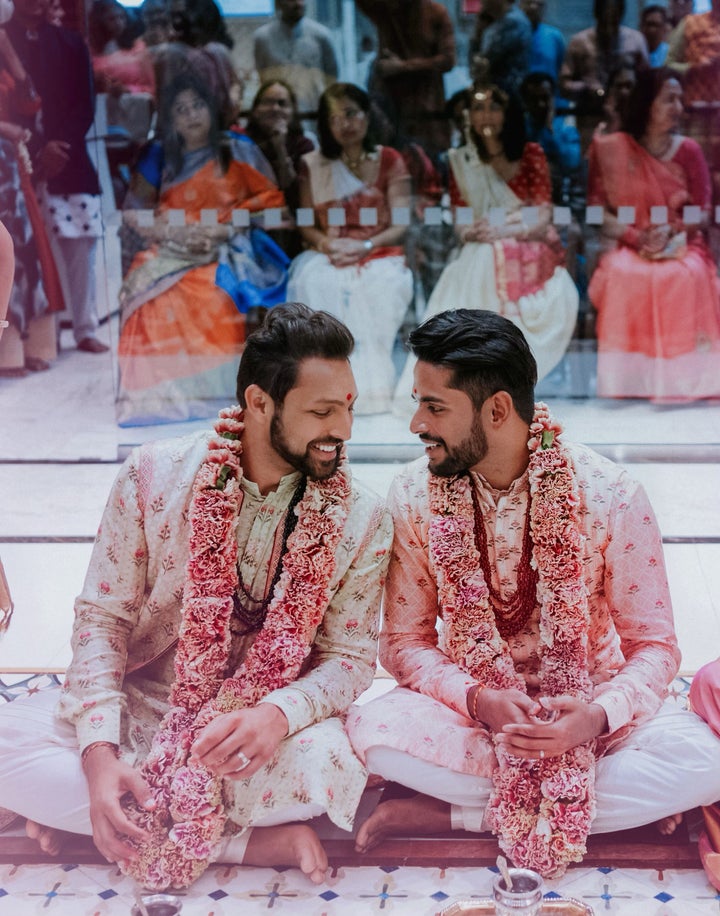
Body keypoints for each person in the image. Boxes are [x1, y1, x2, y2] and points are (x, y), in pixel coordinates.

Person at [0, 302, 393, 890]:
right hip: (145, 706)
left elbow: (350, 659)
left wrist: (276, 714)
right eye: (322, 410)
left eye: (349, 407)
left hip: (259, 735)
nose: (344, 429)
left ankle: (101, 823)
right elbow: (102, 622)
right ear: (259, 403)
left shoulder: (362, 516)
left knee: (334, 764)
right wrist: (100, 758)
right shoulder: (153, 475)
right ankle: (244, 843)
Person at [347, 307, 720, 878]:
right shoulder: (412, 495)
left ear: (496, 409)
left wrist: (595, 717)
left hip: (592, 703)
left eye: (435, 406)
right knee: (373, 735)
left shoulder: (610, 494)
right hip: (471, 714)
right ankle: (594, 807)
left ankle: (453, 814)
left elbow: (656, 648)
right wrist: (479, 700)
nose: (417, 423)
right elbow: (403, 643)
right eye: (418, 402)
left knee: (708, 760)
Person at [394, 81, 578, 409]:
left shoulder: (530, 153)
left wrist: (505, 229)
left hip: (529, 244)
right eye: (478, 107)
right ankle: (463, 377)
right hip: (481, 244)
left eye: (494, 107)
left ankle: (505, 369)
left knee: (486, 256)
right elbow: (462, 221)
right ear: (468, 116)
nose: (485, 115)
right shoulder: (460, 161)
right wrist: (476, 232)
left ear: (509, 114)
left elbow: (542, 214)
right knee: (479, 256)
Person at [117, 75, 288, 426]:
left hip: (229, 245)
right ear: (169, 119)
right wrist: (175, 233)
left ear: (213, 110)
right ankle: (159, 400)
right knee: (146, 296)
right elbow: (134, 211)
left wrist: (225, 225)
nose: (191, 115)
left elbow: (276, 209)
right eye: (181, 110)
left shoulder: (236, 148)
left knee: (211, 293)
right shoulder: (158, 152)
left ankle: (214, 395)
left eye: (198, 106)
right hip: (170, 247)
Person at [587, 68, 720, 401]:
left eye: (680, 99)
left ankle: (684, 385)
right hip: (631, 245)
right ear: (647, 103)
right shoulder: (614, 148)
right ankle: (626, 385)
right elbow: (595, 211)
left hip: (683, 245)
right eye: (669, 99)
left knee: (683, 276)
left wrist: (669, 232)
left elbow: (703, 210)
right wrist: (636, 236)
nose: (678, 107)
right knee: (622, 272)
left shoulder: (688, 150)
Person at [287, 83, 413, 415]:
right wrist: (328, 244)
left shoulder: (389, 160)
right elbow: (304, 222)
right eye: (334, 118)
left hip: (379, 251)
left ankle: (373, 391)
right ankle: (325, 391)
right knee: (317, 282)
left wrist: (365, 245)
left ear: (367, 115)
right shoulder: (312, 164)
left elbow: (401, 223)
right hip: (329, 251)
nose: (345, 124)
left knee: (380, 287)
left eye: (352, 113)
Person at [6, 0, 108, 355]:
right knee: (26, 251)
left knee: (80, 244)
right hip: (15, 158)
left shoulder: (70, 42)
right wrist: (33, 152)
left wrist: (58, 147)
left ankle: (85, 327)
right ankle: (35, 339)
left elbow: (85, 103)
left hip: (68, 159)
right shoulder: (5, 39)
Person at [0, 27, 64, 377]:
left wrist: (8, 50)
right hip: (5, 156)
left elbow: (31, 102)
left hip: (10, 164)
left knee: (26, 250)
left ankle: (20, 350)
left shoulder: (6, 54)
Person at [355, 0, 456, 161]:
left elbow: (448, 60)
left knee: (428, 170)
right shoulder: (386, 8)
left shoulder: (435, 12)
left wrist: (402, 67)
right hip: (392, 110)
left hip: (426, 114)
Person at [559, 0, 649, 150]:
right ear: (596, 15)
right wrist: (586, 88)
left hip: (627, 120)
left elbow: (646, 83)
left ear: (621, 16)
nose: (608, 27)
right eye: (604, 20)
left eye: (614, 20)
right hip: (590, 118)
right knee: (592, 163)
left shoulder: (635, 41)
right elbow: (563, 84)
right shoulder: (580, 43)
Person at [253, 0, 339, 119]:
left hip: (313, 113)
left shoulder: (321, 36)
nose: (299, 4)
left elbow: (331, 78)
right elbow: (262, 77)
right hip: (277, 114)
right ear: (278, 3)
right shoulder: (262, 38)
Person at [242, 80, 315, 213]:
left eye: (282, 103)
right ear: (255, 110)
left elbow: (299, 196)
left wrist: (280, 147)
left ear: (292, 111)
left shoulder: (305, 145)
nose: (275, 108)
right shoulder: (242, 144)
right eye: (268, 102)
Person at [468, 0, 533, 96]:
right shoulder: (498, 22)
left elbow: (482, 63)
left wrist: (477, 37)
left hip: (506, 94)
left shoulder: (512, 22)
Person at [520, 0, 565, 83]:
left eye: (539, 4)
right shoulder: (512, 33)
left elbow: (560, 69)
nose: (533, 7)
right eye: (528, 2)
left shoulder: (554, 36)